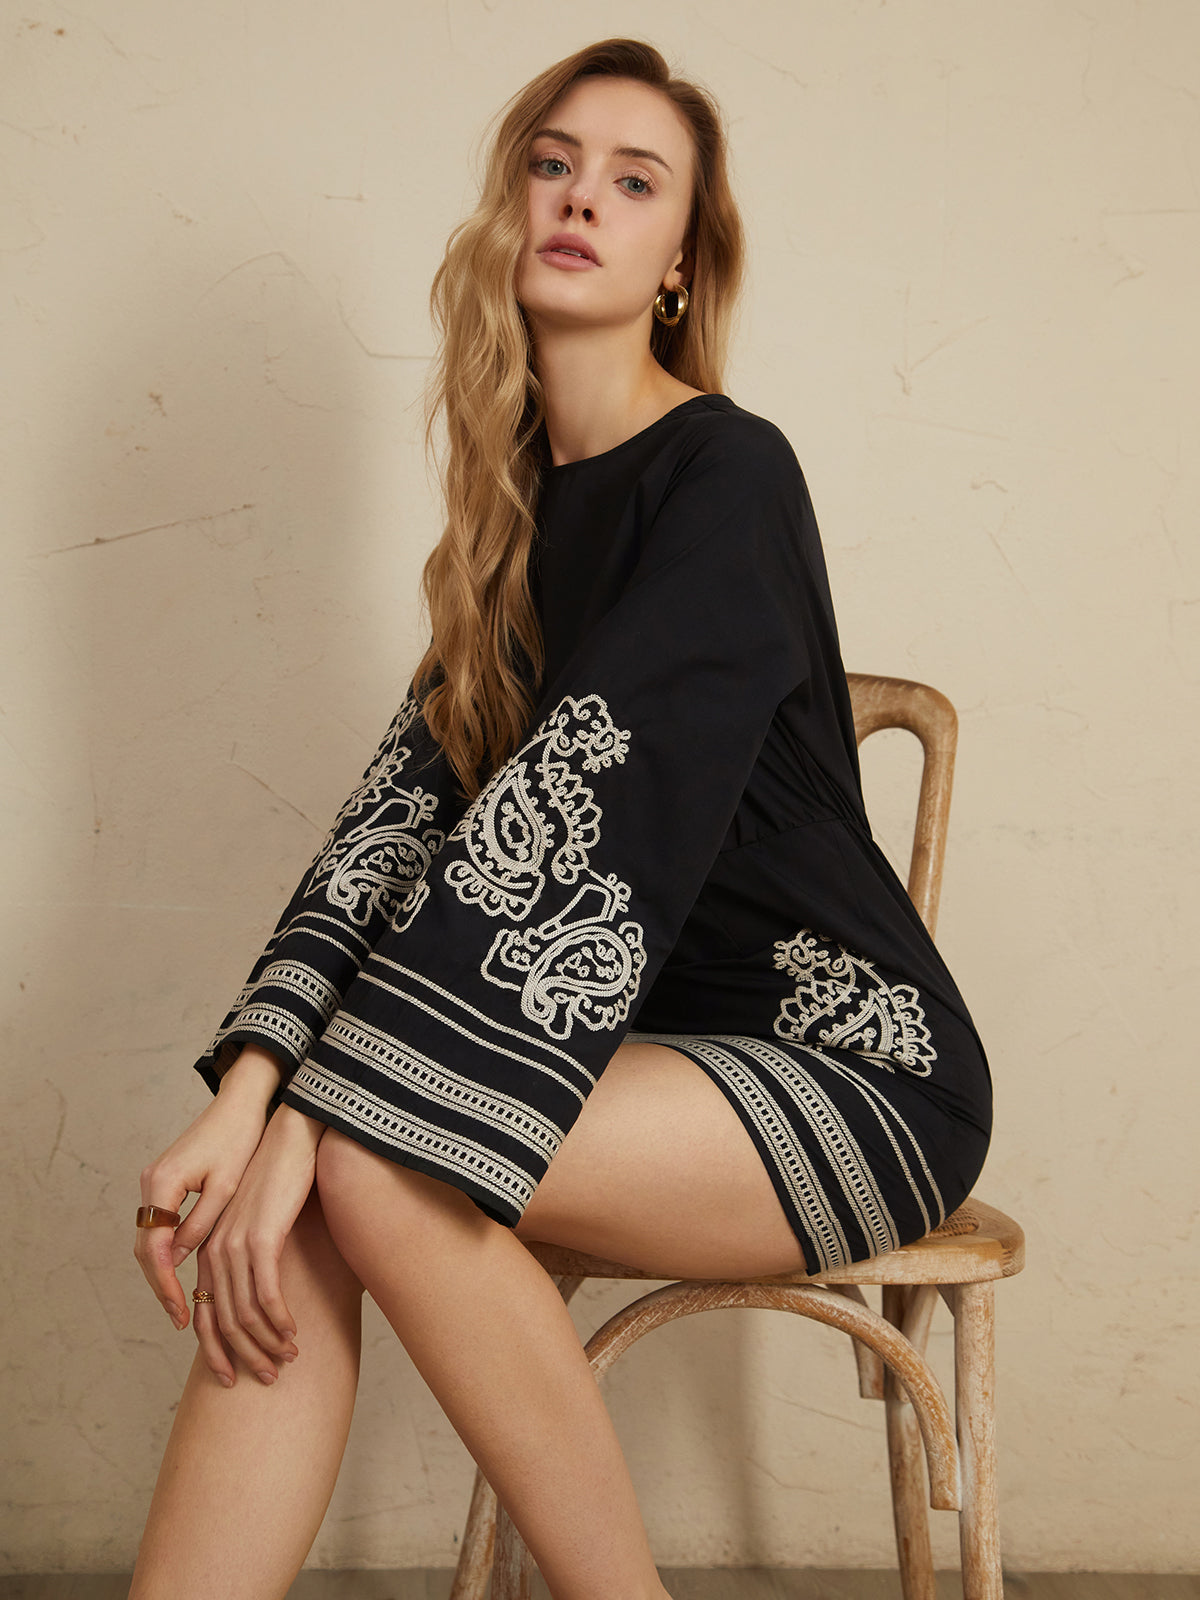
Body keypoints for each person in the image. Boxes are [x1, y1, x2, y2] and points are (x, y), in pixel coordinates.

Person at [129, 36, 992, 1600]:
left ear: (681, 264)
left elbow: (584, 802)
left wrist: (317, 1114)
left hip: (853, 1071)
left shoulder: (729, 474)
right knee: (321, 1179)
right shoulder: (515, 521)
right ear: (510, 205)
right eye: (553, 162)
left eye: (634, 180)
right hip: (639, 1074)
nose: (582, 197)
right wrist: (251, 1094)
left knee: (367, 1154)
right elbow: (395, 833)